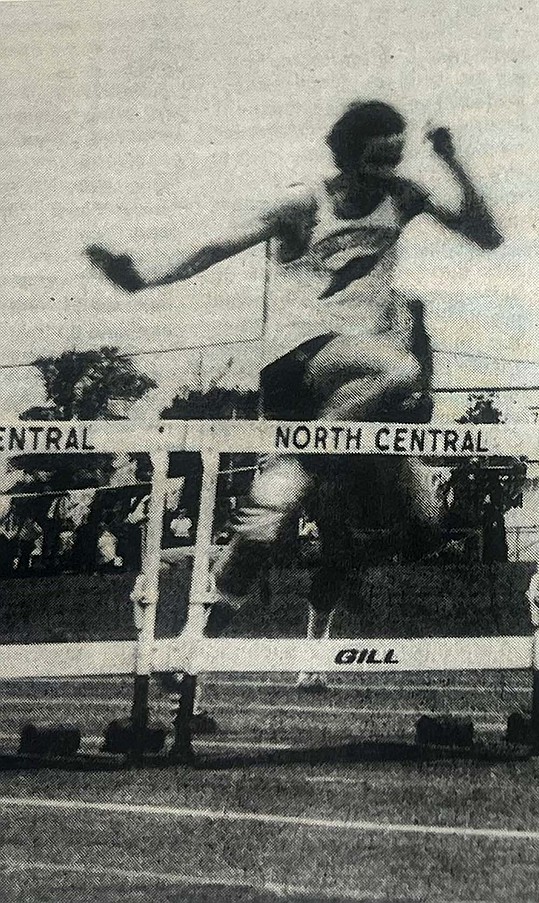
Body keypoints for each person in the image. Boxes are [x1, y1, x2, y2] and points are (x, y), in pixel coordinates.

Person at [87, 100, 502, 637]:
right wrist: (144, 277)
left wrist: (452, 162)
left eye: (397, 160)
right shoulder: (305, 207)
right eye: (376, 162)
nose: (388, 174)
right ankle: (310, 450)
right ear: (346, 160)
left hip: (350, 388)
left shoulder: (403, 198)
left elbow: (486, 236)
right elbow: (218, 246)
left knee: (270, 527)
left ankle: (197, 635)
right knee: (401, 370)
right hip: (296, 361)